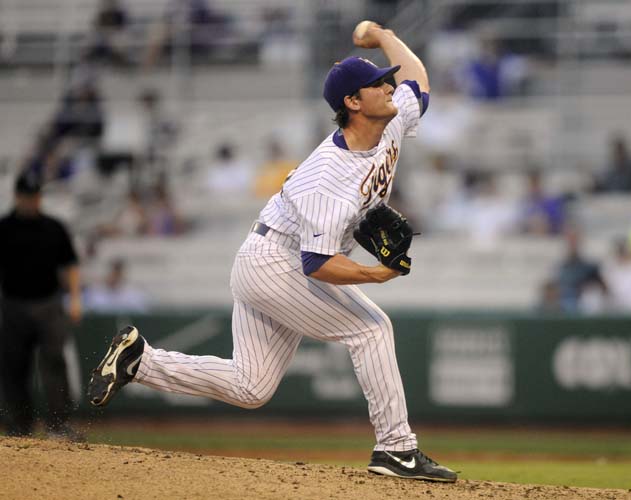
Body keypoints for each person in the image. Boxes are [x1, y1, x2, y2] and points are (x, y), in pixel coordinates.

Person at [87, 21, 458, 483]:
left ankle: (140, 360)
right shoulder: (328, 179)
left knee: (252, 386)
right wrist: (375, 275)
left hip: (267, 256)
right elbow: (317, 264)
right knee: (371, 329)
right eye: (377, 84)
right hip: (275, 262)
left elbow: (418, 81)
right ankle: (396, 449)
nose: (389, 87)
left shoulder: (392, 118)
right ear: (352, 102)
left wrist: (380, 33)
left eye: (386, 81)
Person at [0, 173, 83, 439]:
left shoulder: (53, 227)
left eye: (34, 197)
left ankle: (58, 425)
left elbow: (70, 265)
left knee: (54, 364)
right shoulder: (4, 228)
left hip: (48, 304)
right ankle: (19, 426)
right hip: (12, 305)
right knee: (14, 368)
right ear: (17, 196)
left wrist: (75, 299)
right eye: (26, 197)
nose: (30, 202)